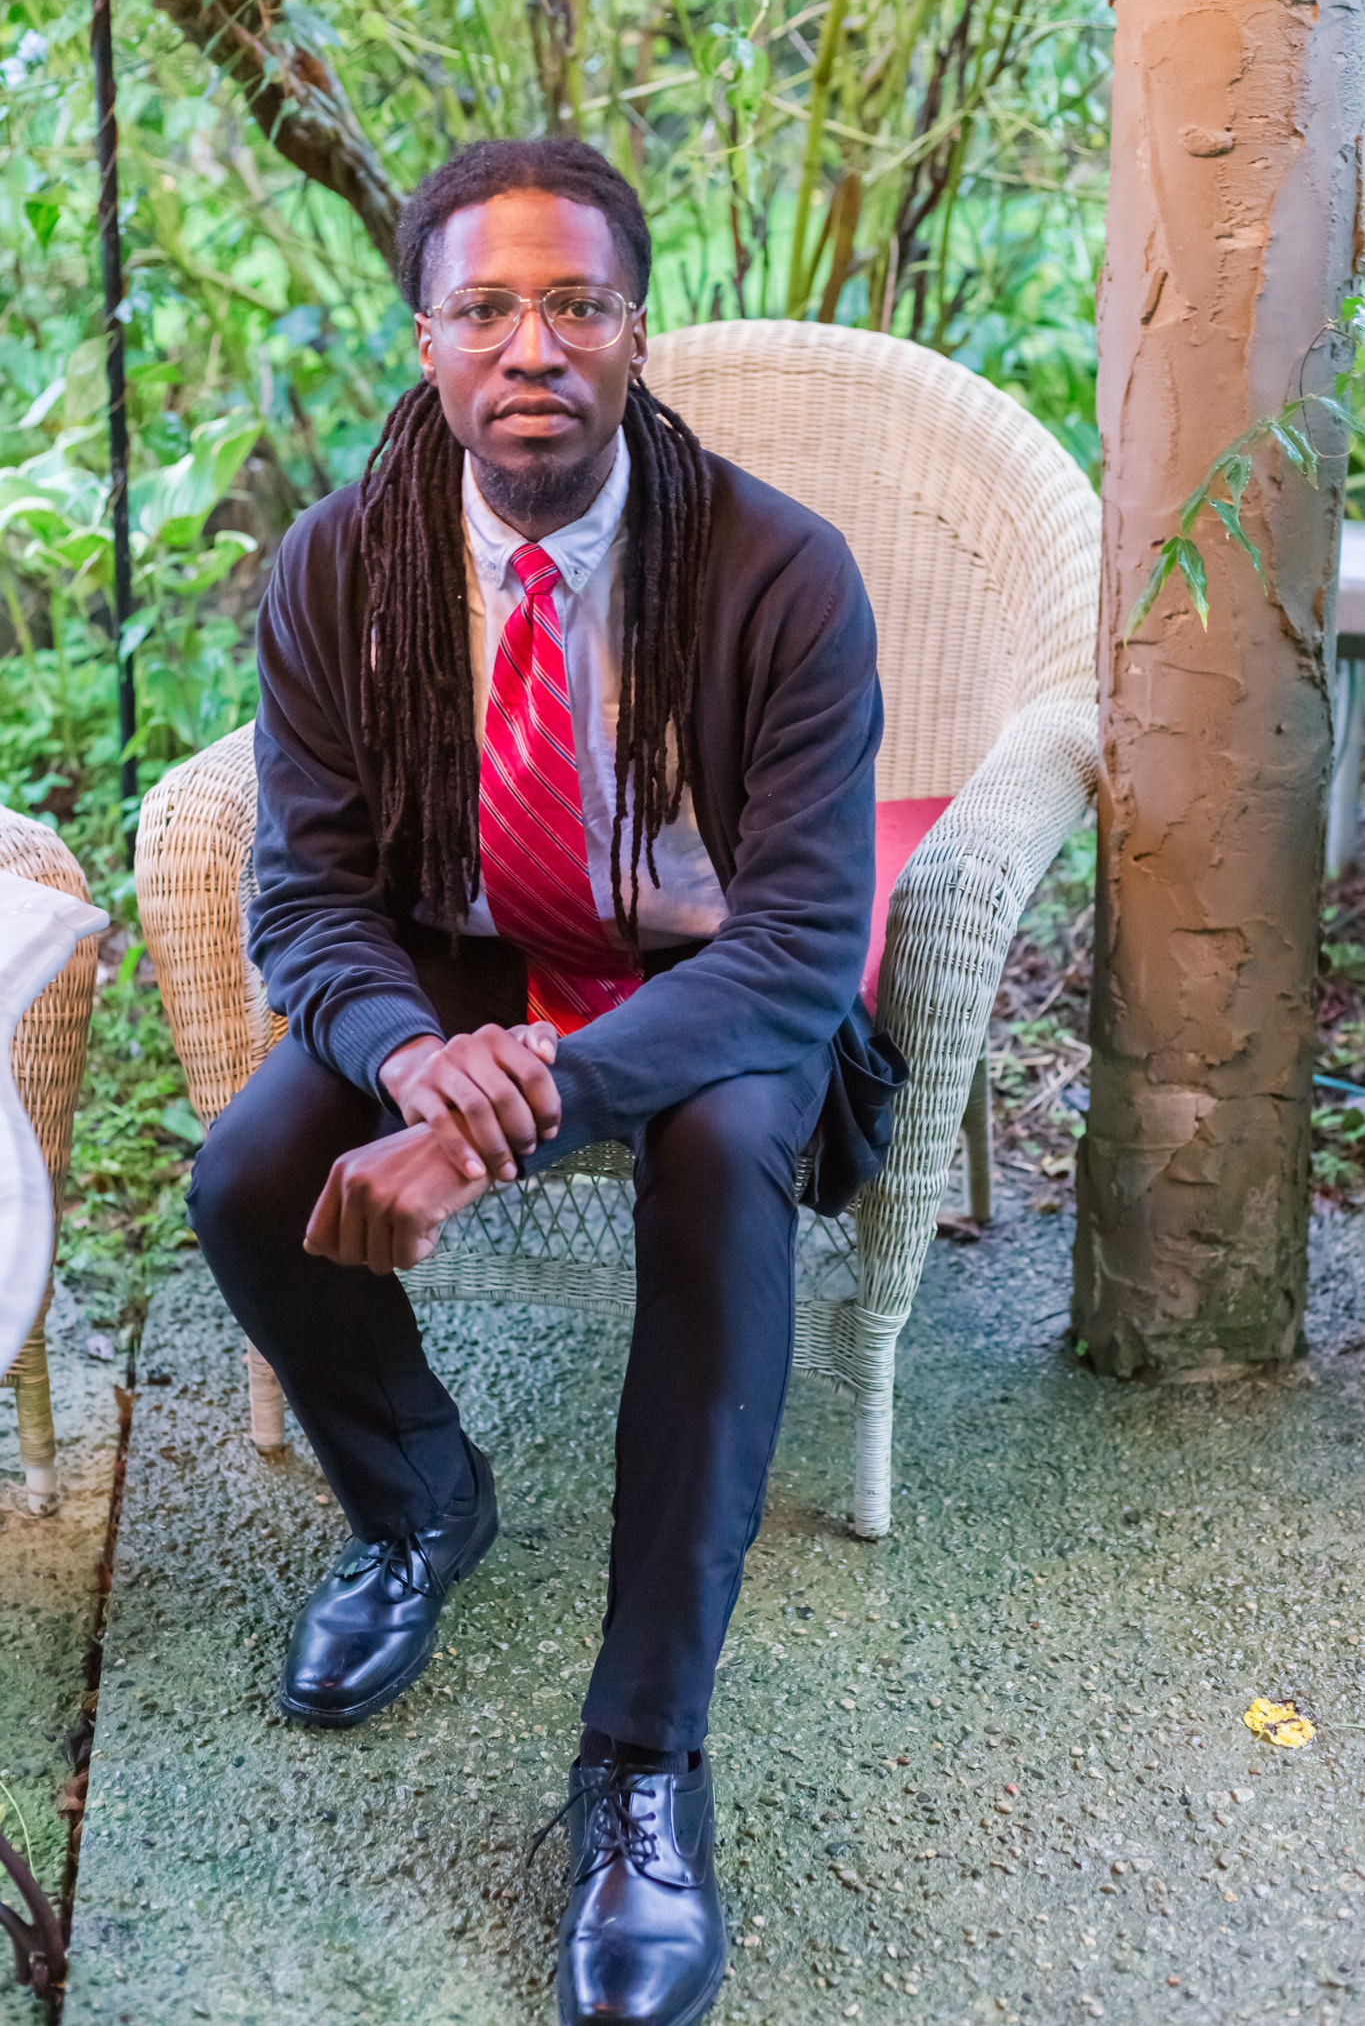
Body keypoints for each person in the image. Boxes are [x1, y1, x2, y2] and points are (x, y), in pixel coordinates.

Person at [188, 135, 881, 2026]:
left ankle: (643, 1757)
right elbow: (309, 892)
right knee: (248, 1175)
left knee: (723, 1169)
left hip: (702, 972)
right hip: (466, 953)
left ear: (636, 332)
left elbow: (801, 946)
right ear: (424, 338)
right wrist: (419, 1060)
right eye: (485, 307)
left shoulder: (778, 573)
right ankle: (421, 1501)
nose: (532, 347)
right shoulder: (346, 566)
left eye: (576, 303)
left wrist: (529, 1107)